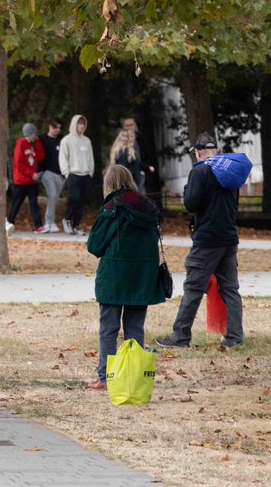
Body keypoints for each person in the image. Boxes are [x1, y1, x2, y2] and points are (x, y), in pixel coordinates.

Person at [157, 133, 244, 349]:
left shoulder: (200, 170)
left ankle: (180, 336)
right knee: (230, 288)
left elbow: (191, 203)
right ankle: (234, 337)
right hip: (229, 237)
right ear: (216, 150)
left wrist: (188, 189)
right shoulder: (230, 170)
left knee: (193, 287)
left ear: (197, 153)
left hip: (207, 239)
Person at [85, 165, 164, 389]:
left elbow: (95, 245)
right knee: (135, 328)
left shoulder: (112, 206)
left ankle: (106, 377)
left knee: (108, 328)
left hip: (115, 276)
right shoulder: (148, 206)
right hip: (143, 276)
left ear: (109, 183)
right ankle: (133, 375)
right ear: (130, 180)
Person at [59, 114, 95, 236]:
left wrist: (90, 172)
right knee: (75, 198)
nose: (81, 126)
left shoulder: (87, 141)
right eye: (79, 123)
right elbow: (63, 158)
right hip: (73, 174)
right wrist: (66, 173)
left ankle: (76, 225)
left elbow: (91, 158)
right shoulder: (66, 140)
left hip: (85, 174)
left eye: (83, 123)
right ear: (74, 124)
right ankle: (67, 219)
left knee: (82, 202)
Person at [6, 123, 44, 233]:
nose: (36, 135)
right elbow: (19, 163)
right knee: (16, 203)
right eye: (34, 134)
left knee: (34, 204)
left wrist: (37, 142)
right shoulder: (20, 144)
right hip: (21, 181)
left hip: (32, 181)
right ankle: (9, 223)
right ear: (30, 134)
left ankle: (38, 226)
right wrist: (30, 173)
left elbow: (41, 156)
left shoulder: (33, 145)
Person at [37, 121, 63, 233]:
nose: (56, 129)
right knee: (52, 195)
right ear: (49, 126)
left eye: (59, 128)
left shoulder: (60, 141)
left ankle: (52, 222)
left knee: (55, 198)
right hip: (47, 172)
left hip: (60, 174)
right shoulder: (42, 139)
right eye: (54, 127)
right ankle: (48, 222)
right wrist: (40, 171)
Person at [121, 116, 156, 194]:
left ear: (135, 126)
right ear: (123, 127)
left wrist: (144, 169)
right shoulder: (120, 142)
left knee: (137, 196)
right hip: (126, 175)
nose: (129, 127)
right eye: (127, 125)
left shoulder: (140, 138)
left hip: (139, 173)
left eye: (131, 125)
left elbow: (145, 155)